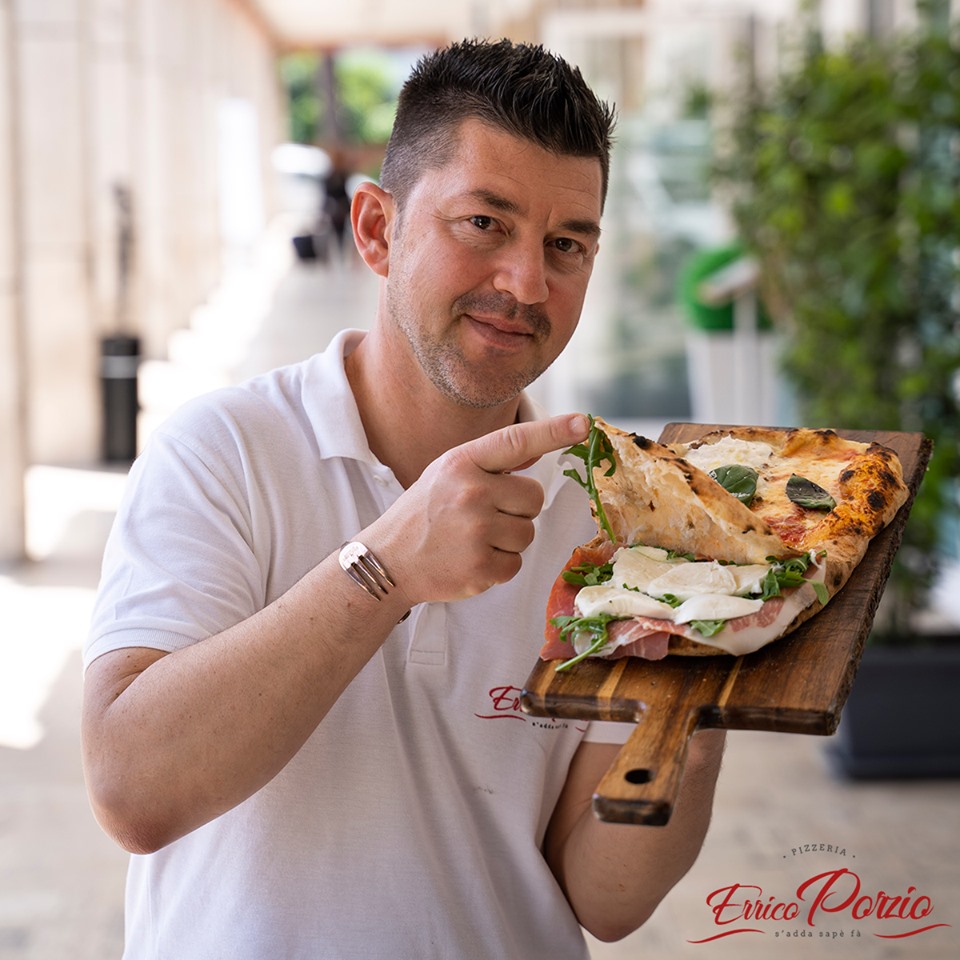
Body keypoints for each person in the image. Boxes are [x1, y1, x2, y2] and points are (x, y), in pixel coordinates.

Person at [81, 38, 725, 959]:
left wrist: (699, 709)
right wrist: (386, 569)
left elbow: (604, 897)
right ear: (377, 229)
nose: (527, 283)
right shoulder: (222, 452)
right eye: (484, 223)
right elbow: (132, 792)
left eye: (566, 245)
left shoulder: (618, 514)